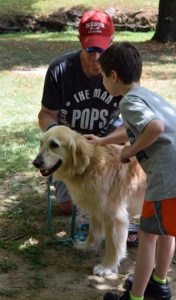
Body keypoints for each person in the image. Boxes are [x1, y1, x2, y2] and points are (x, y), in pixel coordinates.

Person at [98, 42, 176, 300]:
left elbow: (153, 127)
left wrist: (128, 152)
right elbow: (138, 127)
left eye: (102, 75)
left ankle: (136, 297)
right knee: (167, 232)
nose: (102, 81)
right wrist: (102, 141)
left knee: (147, 236)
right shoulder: (145, 95)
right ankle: (159, 283)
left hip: (169, 174)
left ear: (113, 76)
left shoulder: (128, 102)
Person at [38, 11, 138, 245]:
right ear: (80, 41)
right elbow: (46, 114)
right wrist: (60, 135)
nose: (95, 57)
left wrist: (105, 141)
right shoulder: (60, 69)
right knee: (67, 206)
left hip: (109, 144)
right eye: (90, 49)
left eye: (101, 49)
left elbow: (133, 121)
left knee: (110, 195)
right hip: (70, 149)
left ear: (111, 42)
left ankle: (119, 212)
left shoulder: (120, 71)